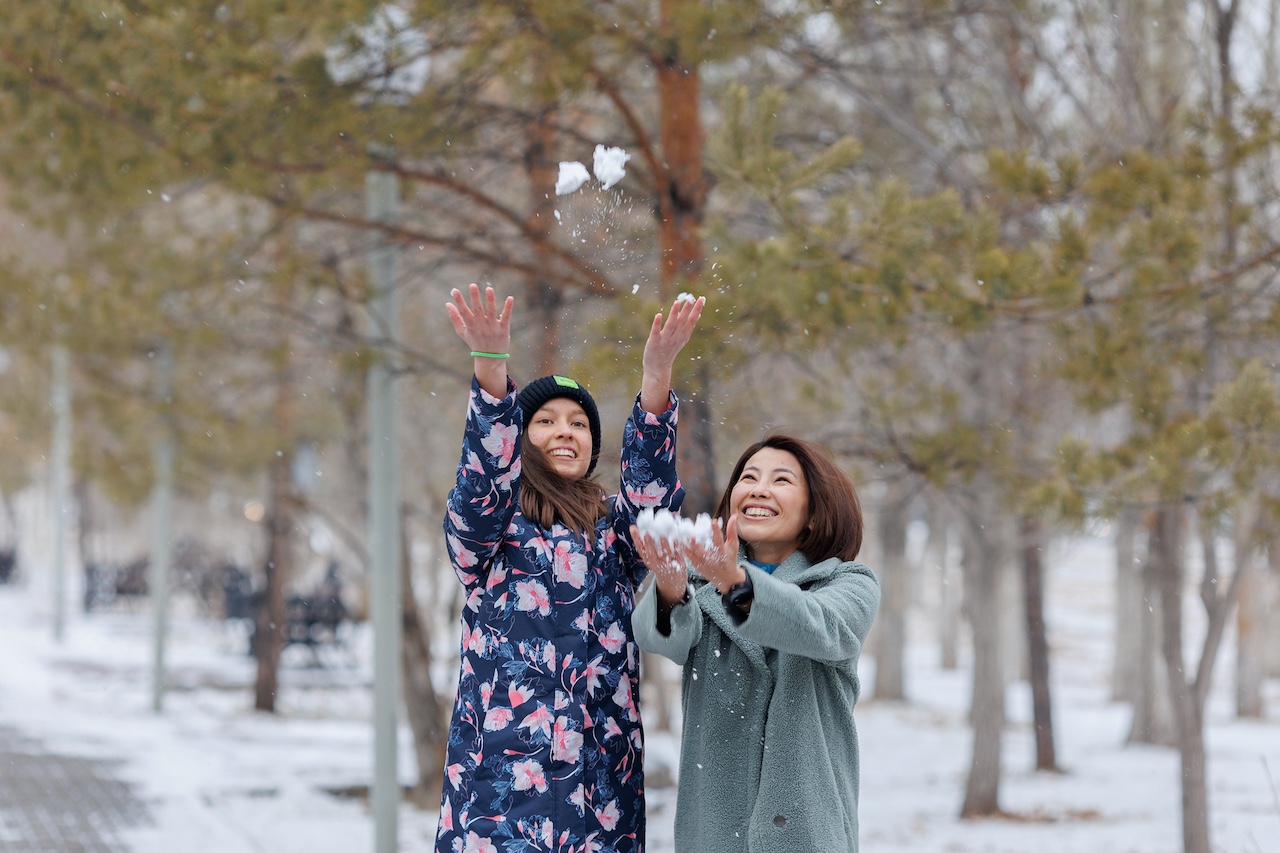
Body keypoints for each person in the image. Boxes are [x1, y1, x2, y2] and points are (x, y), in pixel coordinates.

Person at [436, 283, 704, 853]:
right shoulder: (491, 529)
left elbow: (652, 505)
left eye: (579, 424)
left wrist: (656, 377)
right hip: (502, 803)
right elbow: (484, 480)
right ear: (519, 438)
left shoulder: (613, 532)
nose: (565, 431)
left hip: (601, 798)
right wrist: (491, 369)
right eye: (547, 421)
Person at [631, 434, 880, 853]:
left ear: (815, 513)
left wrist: (734, 582)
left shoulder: (848, 583)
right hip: (712, 834)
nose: (759, 489)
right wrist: (672, 585)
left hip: (808, 836)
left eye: (781, 480)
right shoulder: (699, 581)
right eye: (748, 477)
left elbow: (819, 626)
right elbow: (660, 639)